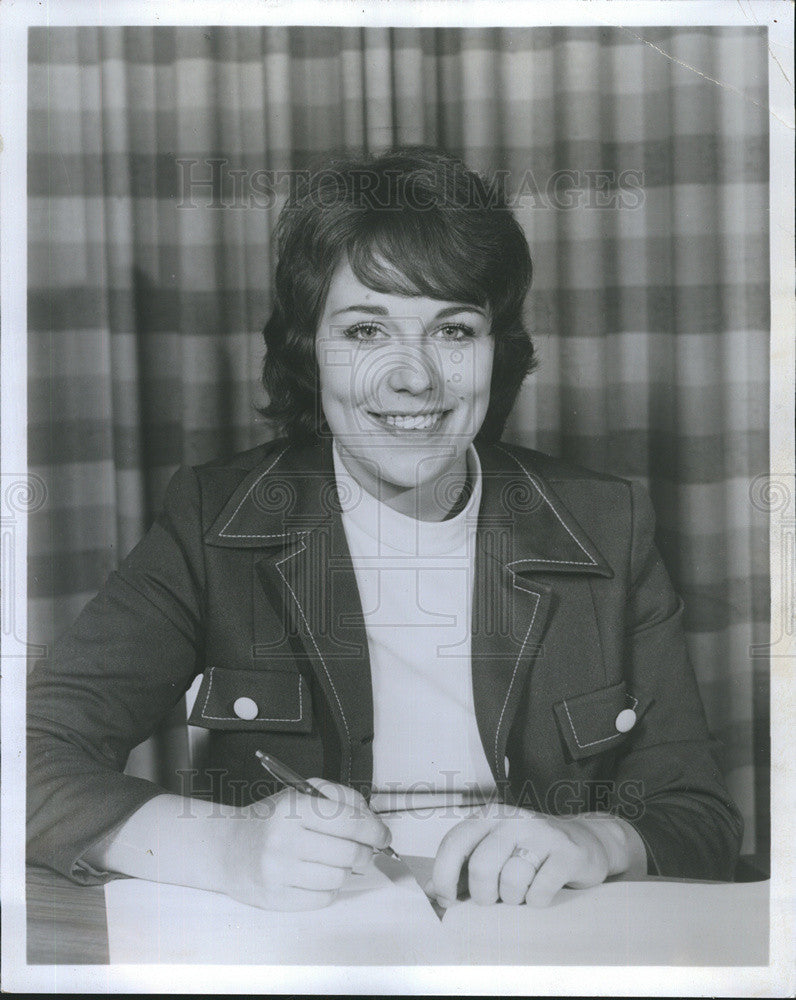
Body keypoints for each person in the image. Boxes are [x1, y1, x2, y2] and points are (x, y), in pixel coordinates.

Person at [27, 147, 743, 913]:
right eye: (366, 332)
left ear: (497, 350)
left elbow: (698, 819)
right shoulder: (216, 520)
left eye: (455, 331)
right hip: (315, 948)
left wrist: (597, 841)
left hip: (537, 945)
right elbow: (27, 758)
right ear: (311, 353)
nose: (415, 377)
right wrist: (225, 847)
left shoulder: (605, 524)